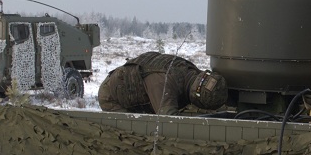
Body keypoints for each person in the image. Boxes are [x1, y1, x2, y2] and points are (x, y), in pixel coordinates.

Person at [97, 52, 228, 115]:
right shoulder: (164, 85)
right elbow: (168, 121)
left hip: (144, 84)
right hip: (111, 96)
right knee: (136, 134)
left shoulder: (191, 72)